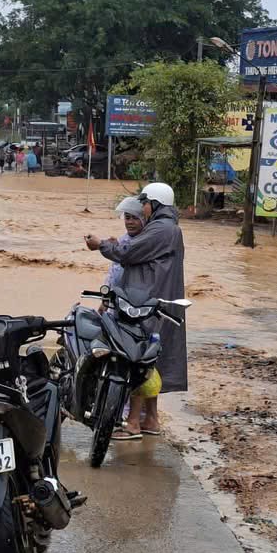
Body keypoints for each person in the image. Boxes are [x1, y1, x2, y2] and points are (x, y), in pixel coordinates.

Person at [85, 182, 187, 440]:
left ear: (154, 205)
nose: (140, 209)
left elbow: (126, 253)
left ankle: (132, 423)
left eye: (143, 204)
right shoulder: (166, 228)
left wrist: (100, 245)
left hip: (146, 305)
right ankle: (150, 419)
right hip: (155, 302)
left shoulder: (161, 229)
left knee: (137, 360)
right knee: (152, 359)